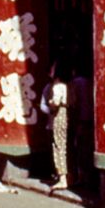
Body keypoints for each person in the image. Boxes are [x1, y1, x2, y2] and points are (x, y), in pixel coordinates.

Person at [40, 59, 76, 191]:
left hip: (59, 115)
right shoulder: (71, 86)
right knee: (68, 146)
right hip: (69, 114)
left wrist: (51, 102)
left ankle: (62, 178)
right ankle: (71, 176)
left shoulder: (58, 87)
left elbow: (55, 103)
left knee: (59, 145)